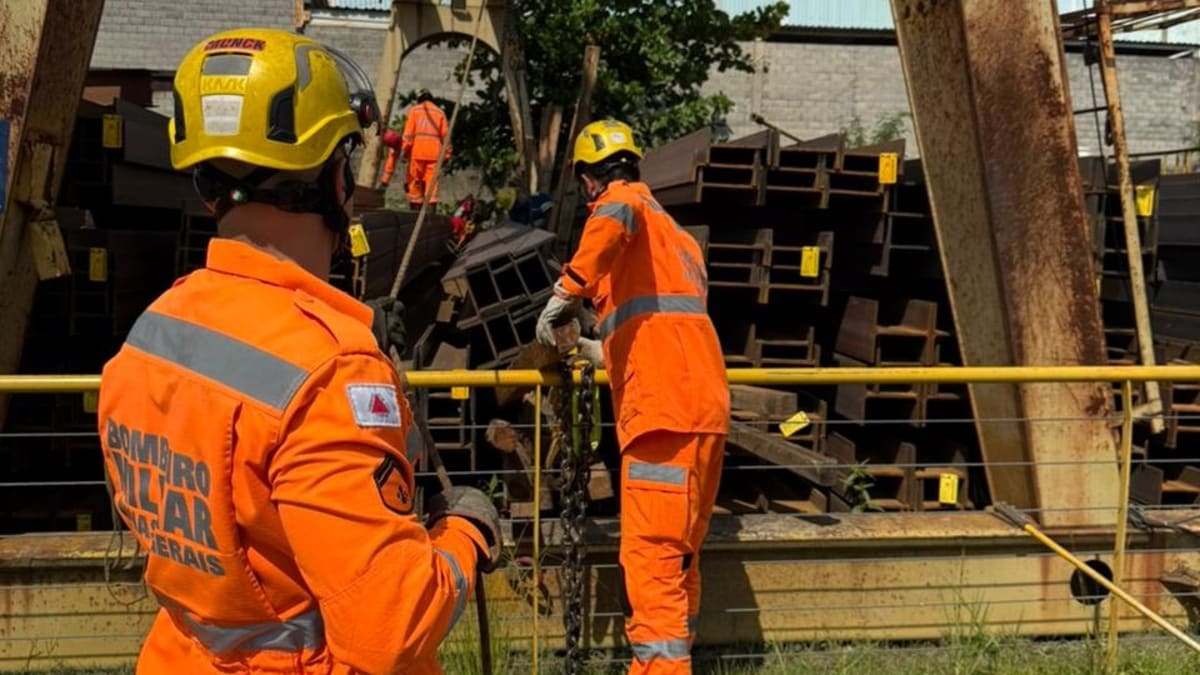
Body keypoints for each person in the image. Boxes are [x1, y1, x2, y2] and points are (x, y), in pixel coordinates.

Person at [96, 28, 499, 674]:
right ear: (337, 180)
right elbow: (389, 629)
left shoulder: (154, 336)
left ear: (204, 182)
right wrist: (468, 537)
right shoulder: (330, 373)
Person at [535, 119, 730, 674]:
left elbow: (611, 223)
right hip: (704, 409)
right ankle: (675, 661)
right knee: (682, 558)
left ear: (589, 180)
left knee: (650, 560)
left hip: (661, 415)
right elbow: (662, 323)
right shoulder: (678, 239)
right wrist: (606, 353)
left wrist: (564, 294)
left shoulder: (620, 204)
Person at [398, 88, 451, 210]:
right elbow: (446, 137)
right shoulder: (440, 113)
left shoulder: (414, 111)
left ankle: (415, 213)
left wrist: (404, 151)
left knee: (414, 183)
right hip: (434, 155)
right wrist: (447, 155)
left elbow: (408, 134)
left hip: (417, 153)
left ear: (419, 99)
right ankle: (431, 215)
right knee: (432, 185)